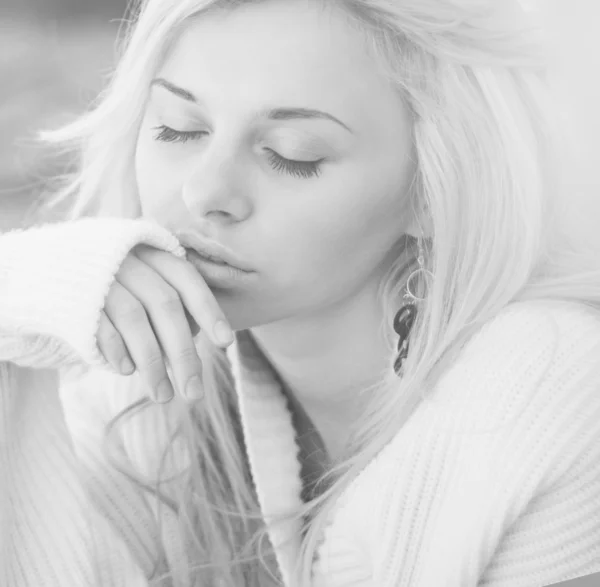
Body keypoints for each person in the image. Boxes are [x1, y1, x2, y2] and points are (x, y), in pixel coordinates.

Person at [1, 0, 600, 586]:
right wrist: (20, 296)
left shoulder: (547, 392)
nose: (204, 192)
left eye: (292, 156)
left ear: (431, 186)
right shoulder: (144, 390)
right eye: (178, 130)